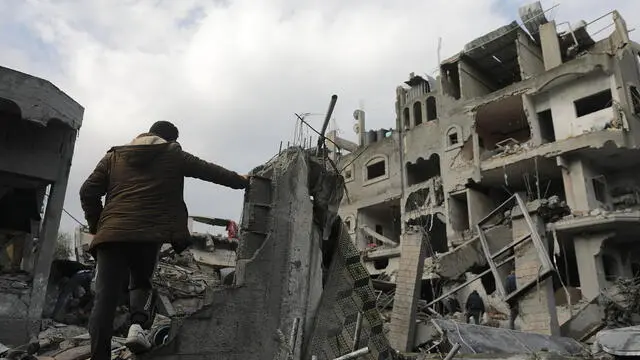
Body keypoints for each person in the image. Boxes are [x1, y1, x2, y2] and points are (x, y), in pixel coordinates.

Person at [80, 121, 248, 360]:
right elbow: (210, 171)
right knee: (140, 283)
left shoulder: (114, 155)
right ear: (172, 140)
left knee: (104, 301)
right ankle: (137, 327)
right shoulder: (172, 153)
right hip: (147, 234)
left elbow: (88, 191)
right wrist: (242, 180)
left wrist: (98, 226)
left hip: (111, 236)